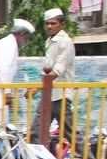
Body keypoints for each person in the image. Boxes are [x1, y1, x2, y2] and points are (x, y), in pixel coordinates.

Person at [30, 8, 76, 145]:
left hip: (60, 95)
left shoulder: (65, 42)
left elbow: (57, 71)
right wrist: (38, 87)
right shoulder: (50, 41)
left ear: (62, 24)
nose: (49, 26)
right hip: (49, 93)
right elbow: (48, 69)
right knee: (36, 131)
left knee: (70, 133)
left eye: (53, 23)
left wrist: (37, 88)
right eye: (47, 23)